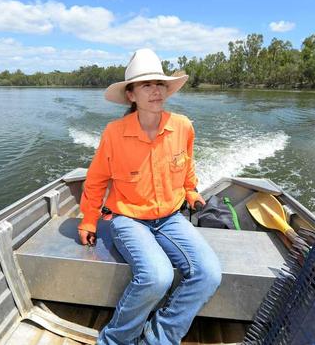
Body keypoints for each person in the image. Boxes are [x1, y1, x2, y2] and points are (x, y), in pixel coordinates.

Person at [77, 48, 222, 345]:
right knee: (157, 277)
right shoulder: (114, 133)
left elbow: (187, 164)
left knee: (209, 273)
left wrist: (192, 190)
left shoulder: (183, 126)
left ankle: (159, 338)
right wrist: (89, 221)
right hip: (127, 219)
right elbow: (96, 180)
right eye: (146, 85)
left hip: (170, 218)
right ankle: (115, 340)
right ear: (131, 95)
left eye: (159, 84)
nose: (156, 91)